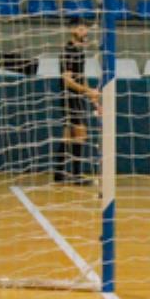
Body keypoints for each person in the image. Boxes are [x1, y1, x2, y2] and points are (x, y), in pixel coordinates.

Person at [58, 23, 102, 184]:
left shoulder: (80, 51)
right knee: (80, 132)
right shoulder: (68, 51)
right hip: (69, 97)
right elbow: (67, 81)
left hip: (77, 96)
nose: (85, 31)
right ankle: (76, 176)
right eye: (81, 28)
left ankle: (59, 174)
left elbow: (80, 77)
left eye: (86, 28)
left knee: (69, 134)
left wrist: (90, 93)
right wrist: (87, 91)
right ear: (72, 30)